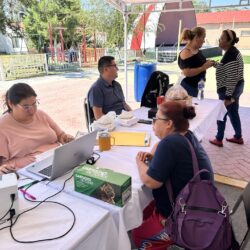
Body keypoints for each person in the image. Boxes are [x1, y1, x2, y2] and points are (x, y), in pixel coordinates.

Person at [132, 101, 213, 249]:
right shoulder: (186, 135)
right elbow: (162, 145)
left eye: (156, 119)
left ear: (168, 123)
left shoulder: (170, 143)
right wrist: (152, 155)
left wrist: (140, 162)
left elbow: (151, 182)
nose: (153, 123)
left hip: (183, 218)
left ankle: (162, 239)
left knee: (137, 234)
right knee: (145, 207)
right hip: (200, 207)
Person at [0, 83, 74, 170]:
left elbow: (60, 135)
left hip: (57, 161)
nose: (32, 111)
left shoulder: (40, 114)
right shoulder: (3, 126)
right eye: (26, 107)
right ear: (11, 104)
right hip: (27, 171)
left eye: (34, 104)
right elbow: (2, 165)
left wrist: (66, 138)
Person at [209, 30, 244, 147]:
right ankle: (238, 137)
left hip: (229, 90)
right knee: (233, 112)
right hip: (237, 87)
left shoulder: (230, 55)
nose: (220, 40)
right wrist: (215, 64)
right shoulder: (232, 52)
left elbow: (231, 78)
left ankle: (219, 139)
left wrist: (228, 96)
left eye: (222, 38)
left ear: (229, 41)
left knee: (221, 113)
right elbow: (227, 69)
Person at [88, 56, 132, 120]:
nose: (117, 69)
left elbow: (124, 105)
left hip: (124, 121)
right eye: (114, 66)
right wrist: (119, 122)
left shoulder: (117, 85)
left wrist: (133, 115)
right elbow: (99, 116)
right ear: (106, 69)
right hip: (110, 125)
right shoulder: (96, 89)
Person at [178, 27, 214, 97]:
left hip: (199, 84)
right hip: (188, 87)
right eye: (203, 38)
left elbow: (196, 64)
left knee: (198, 105)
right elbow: (187, 72)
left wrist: (207, 62)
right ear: (197, 37)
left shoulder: (196, 50)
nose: (204, 41)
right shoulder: (186, 52)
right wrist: (204, 67)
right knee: (191, 107)